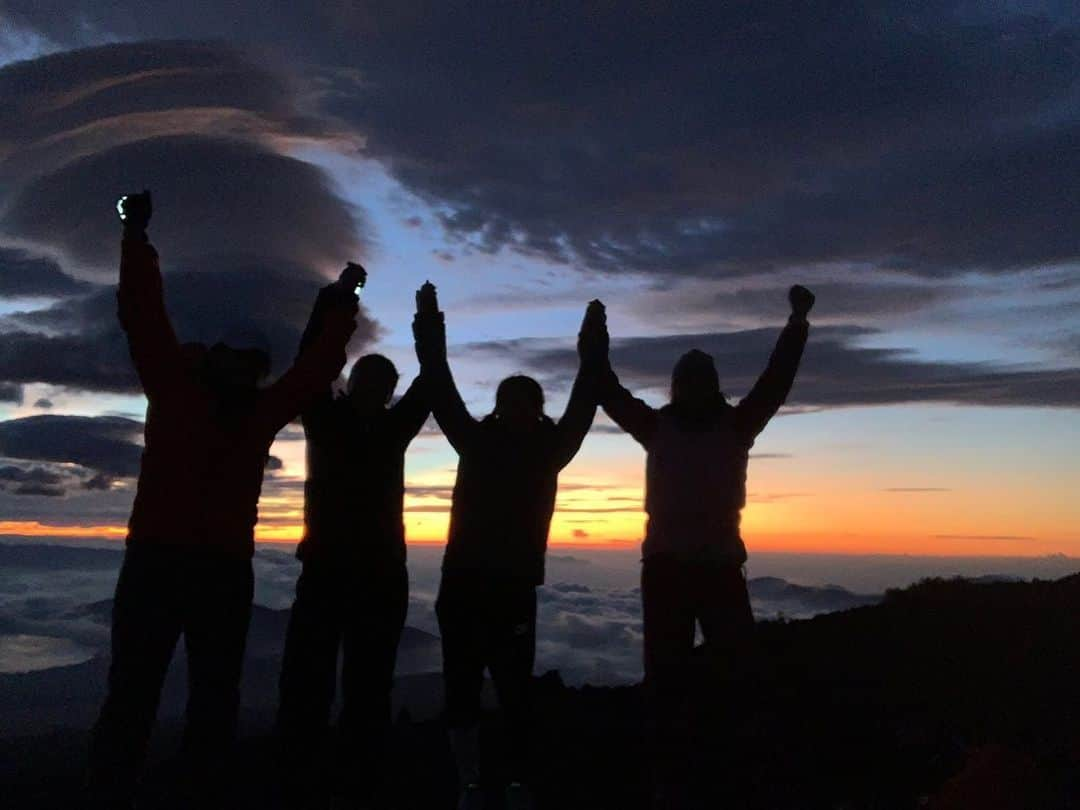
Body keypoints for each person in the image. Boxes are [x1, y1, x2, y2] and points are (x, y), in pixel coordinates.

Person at [88, 194, 358, 808]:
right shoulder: (185, 389)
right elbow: (144, 314)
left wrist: (343, 301)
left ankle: (174, 788)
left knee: (197, 694)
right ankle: (118, 789)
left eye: (253, 365)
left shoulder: (233, 405)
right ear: (220, 359)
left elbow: (315, 370)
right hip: (180, 565)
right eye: (242, 361)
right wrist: (134, 236)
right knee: (145, 691)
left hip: (195, 568)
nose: (247, 371)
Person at [600, 285, 815, 808]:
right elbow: (606, 389)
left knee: (732, 681)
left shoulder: (722, 425)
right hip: (673, 572)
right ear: (680, 387)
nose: (692, 389)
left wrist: (797, 324)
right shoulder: (668, 426)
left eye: (698, 381)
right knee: (670, 683)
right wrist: (595, 335)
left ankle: (724, 776)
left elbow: (775, 382)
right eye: (687, 382)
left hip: (713, 571)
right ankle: (674, 783)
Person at [413, 288, 608, 810]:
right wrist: (429, 324)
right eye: (510, 402)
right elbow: (440, 383)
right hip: (463, 587)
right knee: (462, 690)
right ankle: (470, 782)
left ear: (535, 410)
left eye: (527, 403)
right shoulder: (475, 441)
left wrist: (593, 340)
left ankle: (518, 781)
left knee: (516, 693)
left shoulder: (551, 451)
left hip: (513, 589)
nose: (518, 410)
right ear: (498, 409)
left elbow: (587, 394)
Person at [276, 269, 431, 808]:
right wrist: (340, 300)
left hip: (377, 576)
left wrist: (428, 321)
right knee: (309, 687)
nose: (377, 390)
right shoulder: (324, 417)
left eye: (383, 384)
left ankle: (355, 782)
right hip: (333, 572)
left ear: (387, 393)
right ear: (356, 383)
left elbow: (430, 378)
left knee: (366, 689)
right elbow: (312, 358)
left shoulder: (390, 427)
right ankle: (304, 781)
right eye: (370, 380)